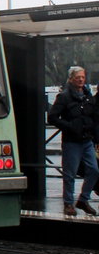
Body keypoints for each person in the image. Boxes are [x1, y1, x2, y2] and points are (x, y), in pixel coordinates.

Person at [48, 65, 98, 216]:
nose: (81, 80)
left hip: (87, 140)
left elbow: (93, 117)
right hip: (72, 141)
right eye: (78, 78)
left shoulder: (88, 95)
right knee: (70, 174)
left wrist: (95, 136)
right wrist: (69, 126)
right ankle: (68, 204)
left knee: (94, 170)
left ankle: (83, 199)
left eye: (83, 77)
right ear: (71, 79)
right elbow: (52, 117)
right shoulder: (64, 97)